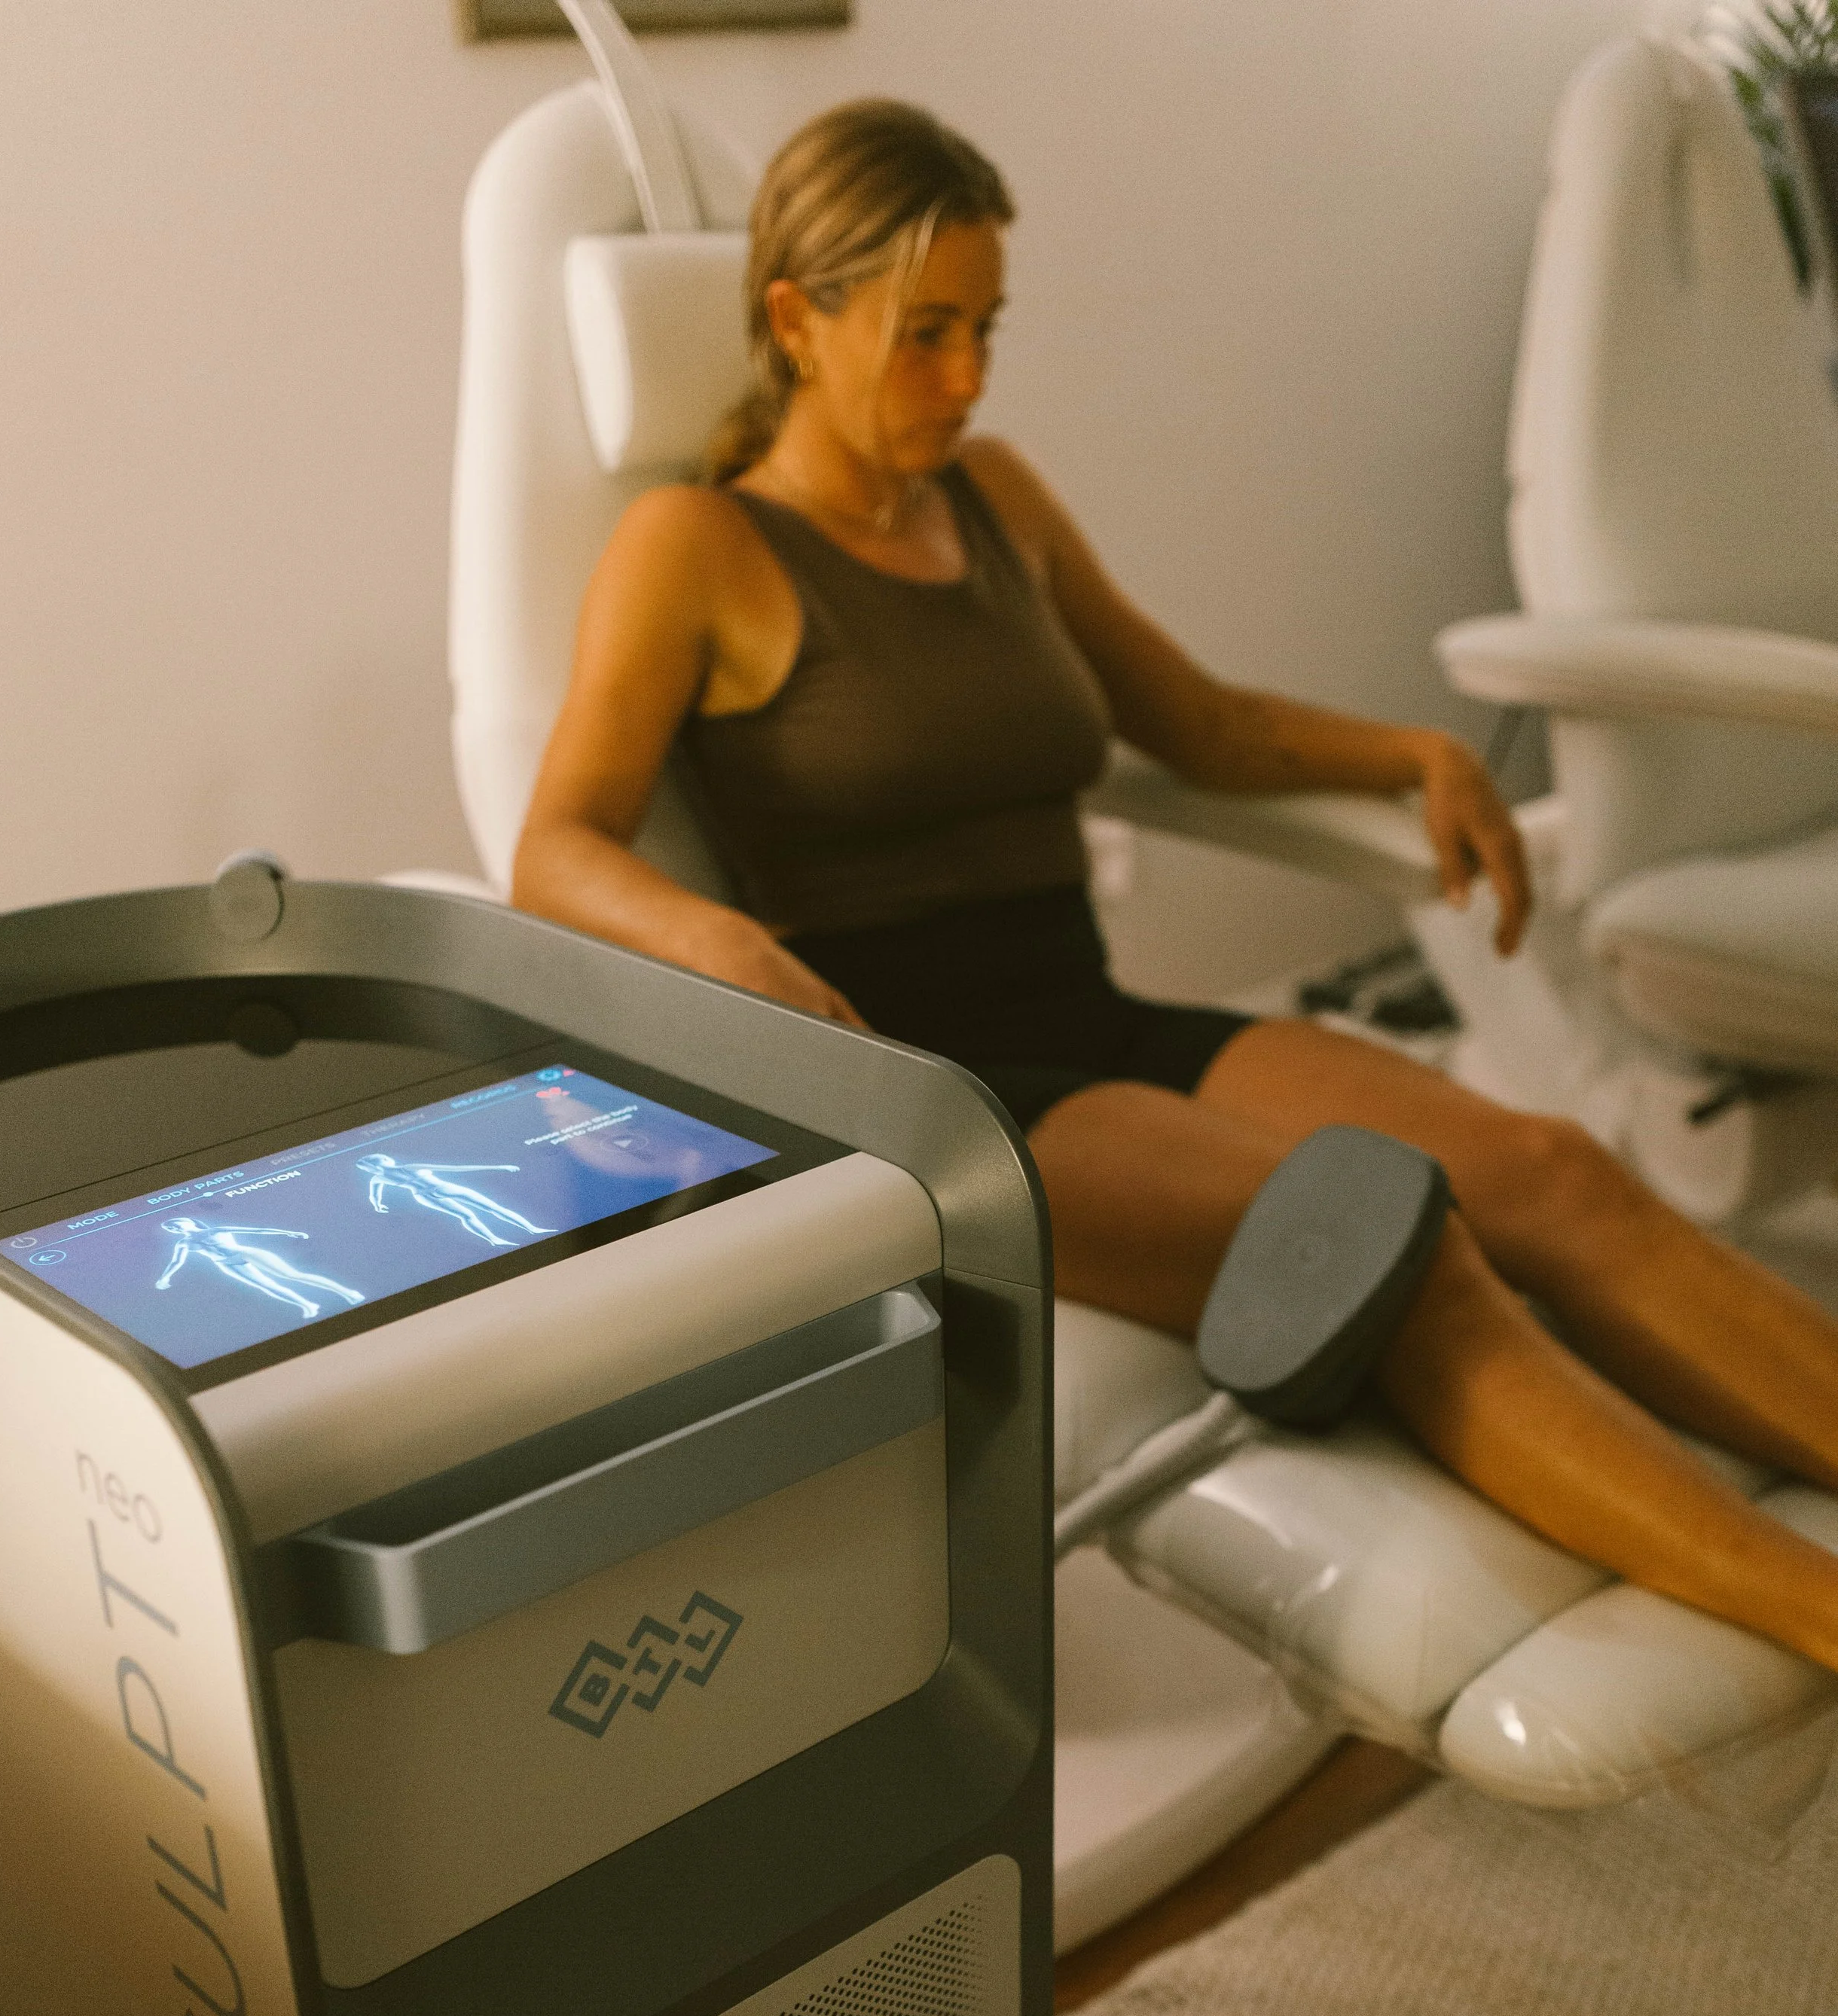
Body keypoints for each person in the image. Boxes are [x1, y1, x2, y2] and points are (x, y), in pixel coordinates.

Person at [514, 99, 1838, 1678]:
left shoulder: (994, 496)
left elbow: (1196, 724)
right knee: (1391, 1251)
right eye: (923, 333)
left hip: (1091, 1012)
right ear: (798, 318)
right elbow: (557, 843)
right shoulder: (697, 545)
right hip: (939, 1091)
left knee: (1547, 1167)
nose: (966, 377)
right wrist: (711, 934)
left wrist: (1406, 753)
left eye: (986, 329)